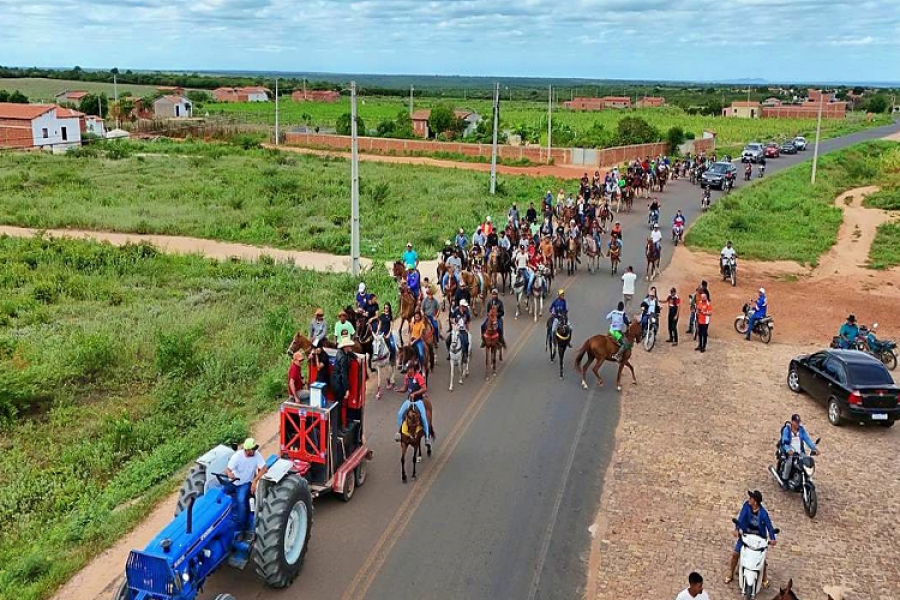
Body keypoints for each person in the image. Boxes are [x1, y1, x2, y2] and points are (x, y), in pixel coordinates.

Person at [726, 490, 777, 587]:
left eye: (751, 498)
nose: (749, 499)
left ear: (755, 502)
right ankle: (731, 573)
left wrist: (773, 538)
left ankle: (764, 577)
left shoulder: (763, 514)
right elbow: (741, 518)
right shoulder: (746, 506)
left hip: (759, 538)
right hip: (746, 535)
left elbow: (769, 527)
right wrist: (737, 529)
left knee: (762, 559)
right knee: (735, 554)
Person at [224, 438, 268, 537]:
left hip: (244, 483)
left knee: (241, 501)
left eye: (254, 449)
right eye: (252, 449)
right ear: (246, 450)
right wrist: (229, 474)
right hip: (233, 481)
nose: (254, 451)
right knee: (220, 494)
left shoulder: (257, 455)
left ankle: (241, 527)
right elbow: (227, 469)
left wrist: (255, 481)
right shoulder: (237, 457)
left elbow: (264, 468)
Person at [395, 362, 432, 442]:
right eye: (407, 369)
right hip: (409, 401)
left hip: (418, 401)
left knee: (423, 417)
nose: (408, 371)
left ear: (413, 369)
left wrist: (415, 394)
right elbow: (405, 388)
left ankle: (427, 437)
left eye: (410, 369)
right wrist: (399, 390)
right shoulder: (406, 377)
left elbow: (424, 389)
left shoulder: (419, 377)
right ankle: (400, 432)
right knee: (400, 414)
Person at [779, 413, 818, 485]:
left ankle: (803, 478)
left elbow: (807, 439)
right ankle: (785, 479)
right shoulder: (787, 430)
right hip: (790, 452)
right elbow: (784, 441)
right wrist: (788, 450)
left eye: (798, 422)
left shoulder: (801, 430)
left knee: (806, 461)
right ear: (792, 421)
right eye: (796, 422)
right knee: (789, 462)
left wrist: (814, 448)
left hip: (799, 452)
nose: (797, 423)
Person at [330, 336, 354, 430]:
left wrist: (355, 357)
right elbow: (344, 375)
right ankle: (338, 428)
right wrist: (347, 389)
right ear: (345, 347)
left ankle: (338, 427)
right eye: (348, 346)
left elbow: (350, 353)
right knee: (339, 406)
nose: (350, 347)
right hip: (338, 384)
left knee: (338, 406)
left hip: (335, 381)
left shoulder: (340, 353)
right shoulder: (343, 358)